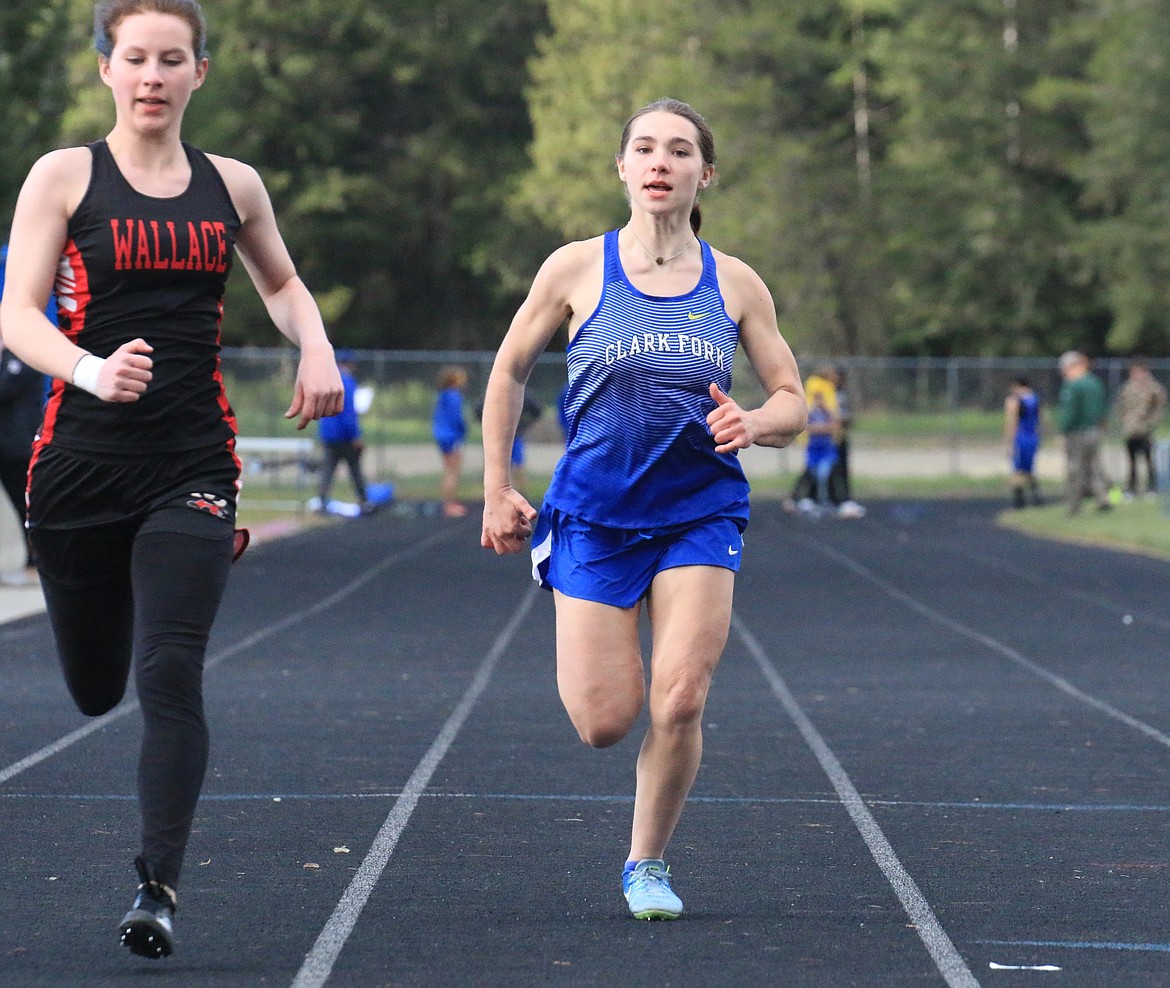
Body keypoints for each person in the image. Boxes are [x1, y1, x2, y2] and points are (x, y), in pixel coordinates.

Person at [0, 0, 343, 960]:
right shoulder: (65, 177)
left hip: (193, 458)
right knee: (96, 687)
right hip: (75, 470)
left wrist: (315, 344)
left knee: (170, 671)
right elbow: (17, 314)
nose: (152, 74)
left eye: (172, 59)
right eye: (135, 57)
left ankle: (158, 888)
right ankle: (94, 652)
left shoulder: (234, 185)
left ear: (200, 72)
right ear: (106, 68)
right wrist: (89, 370)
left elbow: (279, 283)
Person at [480, 98, 806, 921]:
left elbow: (793, 399)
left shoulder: (735, 282)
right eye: (646, 149)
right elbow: (510, 370)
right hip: (593, 514)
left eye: (681, 151)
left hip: (700, 510)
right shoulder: (576, 269)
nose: (662, 162)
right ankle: (569, 580)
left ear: (705, 173)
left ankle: (647, 864)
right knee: (604, 722)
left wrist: (757, 422)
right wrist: (497, 483)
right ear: (622, 168)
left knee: (682, 697)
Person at [315, 349, 374, 514]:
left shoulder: (326, 381)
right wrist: (355, 435)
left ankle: (321, 501)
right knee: (355, 469)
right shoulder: (347, 382)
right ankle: (364, 501)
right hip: (344, 435)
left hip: (329, 433)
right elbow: (348, 412)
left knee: (328, 470)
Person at [1057, 351, 1110, 515]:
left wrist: (1062, 432)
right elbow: (1103, 409)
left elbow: (1070, 412)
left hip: (1077, 432)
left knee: (1075, 468)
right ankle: (1103, 498)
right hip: (1095, 430)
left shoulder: (1073, 385)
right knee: (1094, 466)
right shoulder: (1095, 383)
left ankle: (1073, 505)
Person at [1115, 357, 1167, 499]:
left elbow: (1159, 408)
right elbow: (1121, 406)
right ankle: (1131, 488)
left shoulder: (1153, 388)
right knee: (1131, 461)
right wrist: (1123, 421)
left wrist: (1150, 423)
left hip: (1145, 430)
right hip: (1130, 430)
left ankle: (1152, 487)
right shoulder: (1128, 388)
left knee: (1148, 460)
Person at [433, 365, 469, 517]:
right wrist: (463, 430)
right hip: (451, 436)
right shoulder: (455, 396)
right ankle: (450, 504)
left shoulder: (442, 395)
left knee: (448, 470)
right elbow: (457, 418)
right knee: (453, 471)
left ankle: (448, 502)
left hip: (441, 434)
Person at [1004, 376, 1042, 508]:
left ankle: (1019, 502)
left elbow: (1012, 421)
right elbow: (1043, 417)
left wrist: (1008, 441)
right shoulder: (1036, 399)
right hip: (1033, 437)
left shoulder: (1015, 401)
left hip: (1021, 437)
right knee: (1029, 468)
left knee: (1018, 469)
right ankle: (1037, 498)